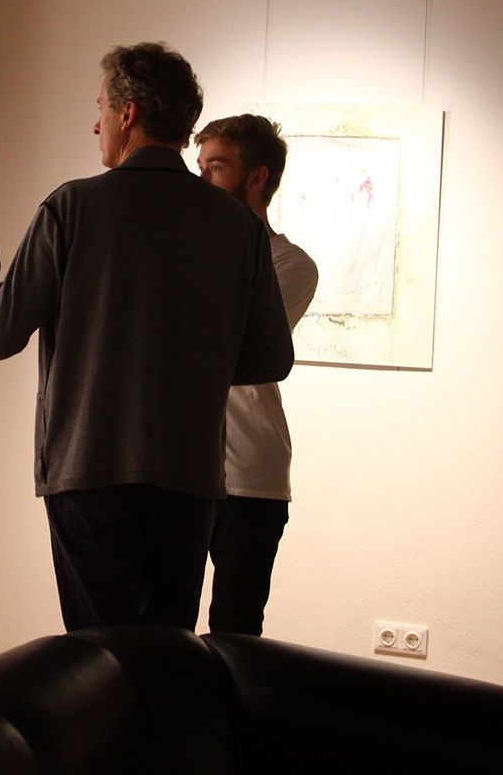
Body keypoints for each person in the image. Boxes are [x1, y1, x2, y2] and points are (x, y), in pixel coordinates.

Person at [0, 42, 294, 632]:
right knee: (166, 651)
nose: (96, 123)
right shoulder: (236, 226)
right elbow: (270, 356)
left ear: (128, 114)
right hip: (188, 478)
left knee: (100, 653)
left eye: (101, 107)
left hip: (89, 470)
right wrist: (189, 358)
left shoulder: (73, 207)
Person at [195, 114, 319, 637]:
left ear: (257, 176)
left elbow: (228, 344)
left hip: (249, 472)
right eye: (200, 166)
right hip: (181, 467)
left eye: (216, 167)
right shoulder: (186, 253)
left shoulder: (290, 264)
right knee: (156, 626)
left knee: (236, 631)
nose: (202, 179)